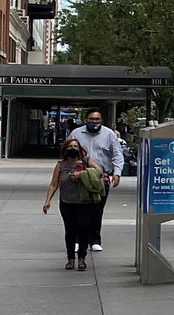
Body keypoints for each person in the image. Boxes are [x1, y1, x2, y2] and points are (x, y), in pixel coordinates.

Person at [65, 108, 125, 252]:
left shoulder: (109, 134)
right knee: (78, 210)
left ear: (101, 121)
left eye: (97, 119)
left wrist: (117, 173)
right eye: (91, 119)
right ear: (86, 120)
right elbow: (67, 152)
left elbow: (117, 154)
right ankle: (77, 240)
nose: (94, 122)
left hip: (100, 178)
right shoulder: (76, 134)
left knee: (96, 211)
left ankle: (94, 240)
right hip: (79, 177)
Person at [43, 138, 103, 270]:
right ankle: (70, 258)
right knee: (70, 230)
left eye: (75, 146)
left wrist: (81, 174)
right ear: (65, 150)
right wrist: (48, 201)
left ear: (80, 149)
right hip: (67, 203)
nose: (73, 149)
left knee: (83, 228)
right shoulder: (61, 165)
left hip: (85, 203)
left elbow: (99, 171)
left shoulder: (86, 161)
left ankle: (82, 258)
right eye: (70, 147)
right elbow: (54, 184)